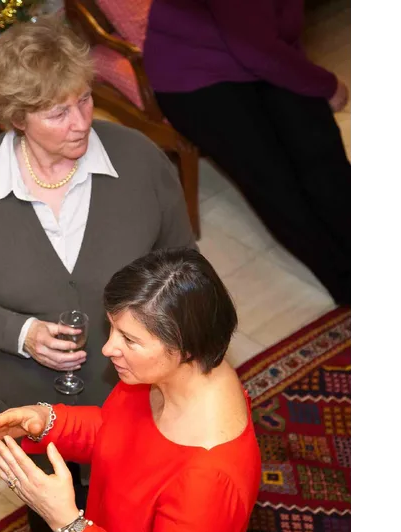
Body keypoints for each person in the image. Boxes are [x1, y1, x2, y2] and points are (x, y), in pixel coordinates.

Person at [0, 15, 196, 532]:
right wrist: (20, 333)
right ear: (17, 118)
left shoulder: (138, 160)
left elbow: (184, 265)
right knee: (58, 528)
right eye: (58, 113)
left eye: (84, 101)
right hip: (29, 409)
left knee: (145, 525)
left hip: (137, 400)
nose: (81, 123)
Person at [0, 247, 262, 532]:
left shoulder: (209, 481)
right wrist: (48, 421)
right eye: (113, 329)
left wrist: (69, 525)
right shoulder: (169, 373)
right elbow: (118, 431)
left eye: (129, 340)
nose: (108, 349)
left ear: (184, 347)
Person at [143, 0, 353, 305]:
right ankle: (343, 279)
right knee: (275, 182)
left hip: (260, 52)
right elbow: (255, 49)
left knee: (320, 147)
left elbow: (277, 29)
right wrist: (328, 85)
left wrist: (306, 78)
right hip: (196, 75)